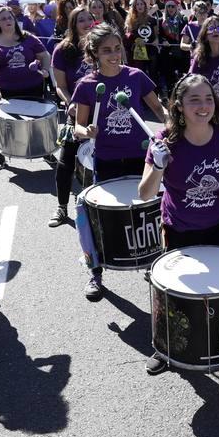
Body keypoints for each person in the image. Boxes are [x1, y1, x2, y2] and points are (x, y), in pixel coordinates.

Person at [138, 74, 219, 374]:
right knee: (178, 294)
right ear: (179, 106)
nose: (203, 105)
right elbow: (145, 193)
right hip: (180, 228)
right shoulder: (164, 141)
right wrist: (157, 166)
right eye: (194, 100)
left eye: (208, 98)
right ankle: (167, 348)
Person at [70, 24, 170, 300]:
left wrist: (173, 127)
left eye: (117, 49)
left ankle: (156, 263)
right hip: (107, 158)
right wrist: (86, 132)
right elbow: (78, 126)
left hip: (141, 156)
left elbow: (158, 108)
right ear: (95, 54)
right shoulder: (87, 85)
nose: (114, 55)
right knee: (100, 218)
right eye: (106, 51)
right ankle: (96, 271)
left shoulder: (135, 76)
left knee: (148, 211)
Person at [0, 4, 52, 169]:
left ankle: (46, 152)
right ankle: (1, 154)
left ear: (14, 19)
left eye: (10, 17)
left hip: (33, 86)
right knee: (5, 124)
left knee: (38, 122)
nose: (7, 21)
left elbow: (44, 55)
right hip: (7, 89)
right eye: (3, 18)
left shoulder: (28, 38)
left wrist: (46, 70)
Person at [48, 6, 99, 227]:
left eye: (90, 19)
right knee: (65, 162)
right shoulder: (62, 50)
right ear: (73, 25)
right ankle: (61, 208)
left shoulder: (101, 46)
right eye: (81, 20)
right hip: (76, 114)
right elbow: (60, 86)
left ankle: (100, 209)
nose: (87, 23)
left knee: (102, 162)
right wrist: (71, 103)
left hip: (101, 115)